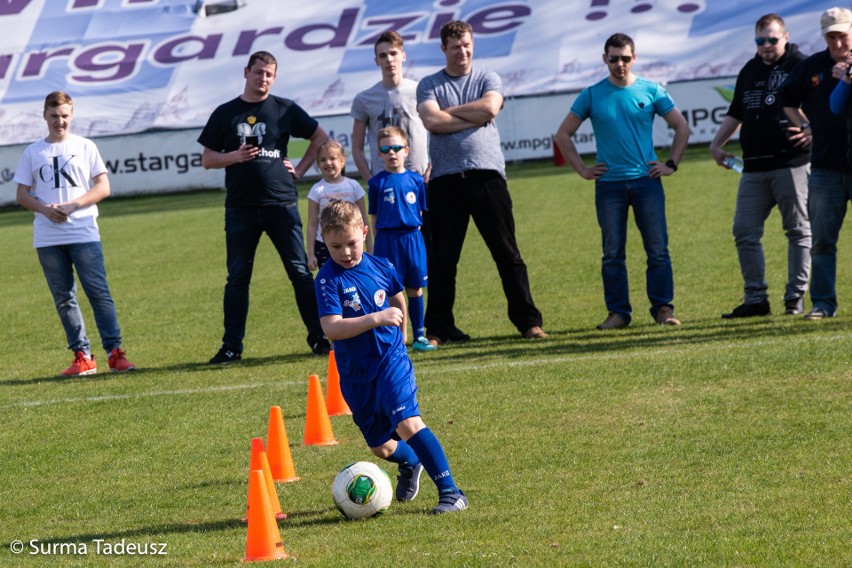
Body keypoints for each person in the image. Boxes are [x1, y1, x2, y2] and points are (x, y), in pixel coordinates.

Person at [315, 199, 467, 514]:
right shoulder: (328, 280)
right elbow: (331, 328)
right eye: (335, 246)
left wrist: (404, 331)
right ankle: (411, 461)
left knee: (408, 421)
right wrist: (377, 318)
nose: (345, 252)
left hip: (390, 361)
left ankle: (452, 494)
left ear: (365, 233)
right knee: (381, 447)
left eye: (352, 244)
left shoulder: (382, 266)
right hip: (356, 373)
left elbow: (397, 296)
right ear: (325, 243)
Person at [416, 20, 547, 344]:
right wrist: (472, 116)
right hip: (445, 182)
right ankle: (438, 329)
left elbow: (490, 106)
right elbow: (431, 119)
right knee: (443, 261)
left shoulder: (488, 77)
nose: (462, 51)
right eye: (455, 46)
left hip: (487, 177)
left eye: (467, 45)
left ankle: (529, 322)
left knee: (508, 254)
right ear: (443, 48)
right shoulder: (429, 83)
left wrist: (453, 114)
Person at [198, 51, 330, 362]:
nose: (264, 79)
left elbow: (319, 137)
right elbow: (207, 159)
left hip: (281, 204)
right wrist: (235, 156)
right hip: (241, 208)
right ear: (246, 72)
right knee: (238, 278)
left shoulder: (284, 109)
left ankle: (319, 338)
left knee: (299, 272)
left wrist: (299, 170)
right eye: (259, 73)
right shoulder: (226, 113)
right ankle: (231, 347)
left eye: (269, 74)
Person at [554, 32, 690, 330]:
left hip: (646, 183)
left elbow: (681, 127)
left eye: (625, 58)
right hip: (609, 187)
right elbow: (562, 135)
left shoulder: (652, 90)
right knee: (612, 253)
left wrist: (671, 164)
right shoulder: (591, 94)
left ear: (634, 58)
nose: (620, 64)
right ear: (605, 59)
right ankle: (618, 313)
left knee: (657, 249)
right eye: (613, 59)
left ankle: (663, 309)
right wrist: (582, 170)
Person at [14, 91, 136, 376]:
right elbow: (21, 194)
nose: (60, 122)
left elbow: (103, 187)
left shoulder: (85, 146)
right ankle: (82, 356)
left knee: (98, 293)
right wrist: (45, 210)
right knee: (64, 298)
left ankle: (115, 353)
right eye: (55, 116)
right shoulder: (32, 152)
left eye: (65, 116)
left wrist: (72, 206)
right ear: (44, 115)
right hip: (48, 237)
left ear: (72, 115)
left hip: (83, 232)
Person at [709, 14, 811, 319]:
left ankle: (795, 298)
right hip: (752, 168)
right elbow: (736, 111)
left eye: (772, 40)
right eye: (760, 40)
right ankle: (756, 300)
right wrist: (716, 144)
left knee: (797, 231)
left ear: (785, 37)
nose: (766, 46)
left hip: (790, 164)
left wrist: (812, 129)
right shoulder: (749, 69)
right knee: (744, 230)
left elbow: (822, 105)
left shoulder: (801, 65)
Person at [779, 7, 852, 320]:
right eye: (831, 36)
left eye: (842, 35)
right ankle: (823, 303)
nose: (837, 43)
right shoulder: (812, 67)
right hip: (825, 166)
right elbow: (786, 99)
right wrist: (806, 126)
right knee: (822, 240)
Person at [368, 126, 436, 352]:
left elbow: (421, 213)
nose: (391, 152)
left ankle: (419, 336)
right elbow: (375, 217)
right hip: (387, 241)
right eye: (385, 149)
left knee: (415, 288)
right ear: (379, 154)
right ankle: (396, 338)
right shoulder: (376, 183)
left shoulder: (416, 181)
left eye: (396, 147)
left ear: (406, 150)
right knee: (390, 291)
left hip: (412, 239)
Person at [351, 30, 430, 181]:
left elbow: (438, 134)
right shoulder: (364, 99)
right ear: (377, 61)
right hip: (383, 180)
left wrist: (430, 171)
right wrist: (370, 180)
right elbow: (357, 148)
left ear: (403, 56)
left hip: (419, 179)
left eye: (393, 53)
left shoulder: (421, 91)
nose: (389, 59)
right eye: (383, 55)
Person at [306, 139, 371, 272]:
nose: (328, 163)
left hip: (350, 242)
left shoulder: (354, 186)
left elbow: (364, 219)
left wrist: (370, 248)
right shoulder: (316, 190)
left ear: (342, 160)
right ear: (318, 163)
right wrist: (311, 254)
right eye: (323, 160)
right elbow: (312, 224)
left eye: (332, 158)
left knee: (355, 277)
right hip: (325, 245)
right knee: (332, 280)